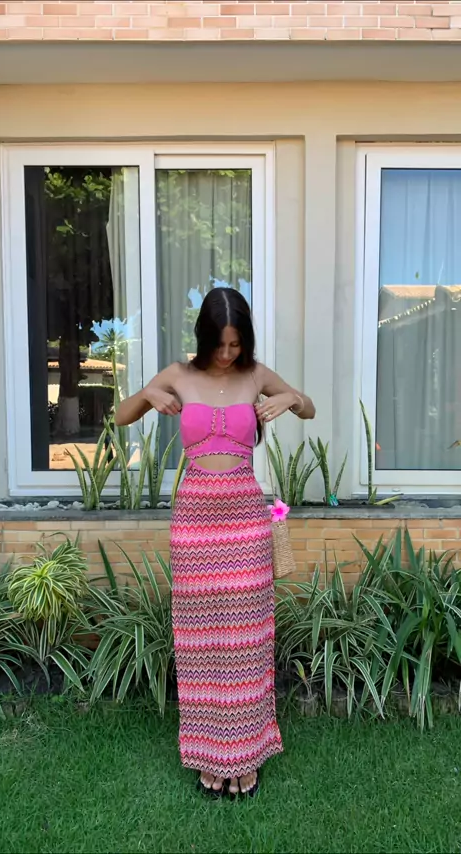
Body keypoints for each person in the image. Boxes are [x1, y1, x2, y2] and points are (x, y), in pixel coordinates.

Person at [115, 288, 315, 798]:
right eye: (220, 344)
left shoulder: (256, 374)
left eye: (236, 344)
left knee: (247, 639)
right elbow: (121, 415)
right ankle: (210, 753)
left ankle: (245, 753)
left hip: (245, 519)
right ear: (204, 338)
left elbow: (309, 408)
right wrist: (148, 395)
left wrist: (291, 398)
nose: (227, 354)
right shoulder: (179, 374)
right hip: (195, 522)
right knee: (201, 640)